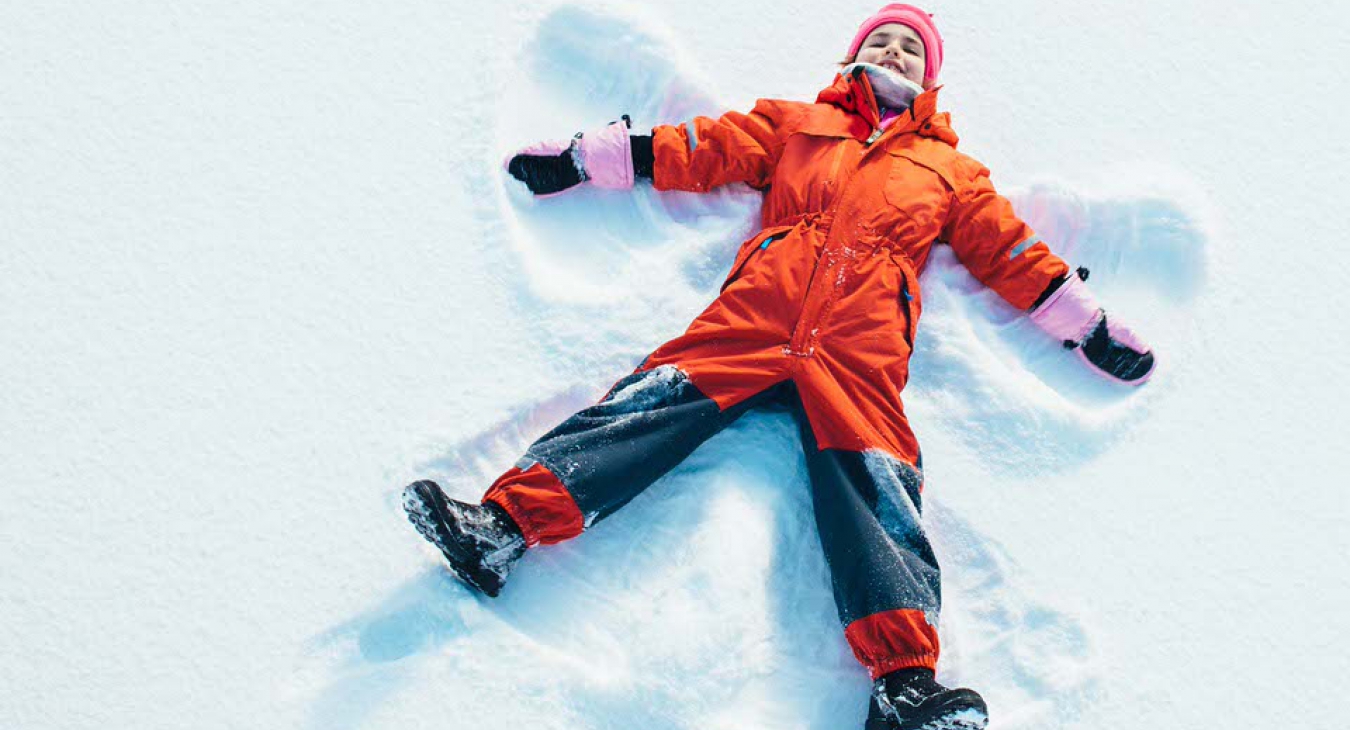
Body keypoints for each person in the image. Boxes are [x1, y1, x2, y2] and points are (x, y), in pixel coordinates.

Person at [402, 5, 1155, 729]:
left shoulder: (950, 172)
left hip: (859, 349)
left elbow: (1010, 251)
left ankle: (904, 687)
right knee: (646, 405)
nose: (895, 52)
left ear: (930, 80)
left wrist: (1085, 328)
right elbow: (702, 147)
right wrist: (586, 159)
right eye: (884, 40)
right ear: (854, 55)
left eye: (911, 48)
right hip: (757, 316)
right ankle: (498, 529)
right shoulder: (799, 125)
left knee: (878, 487)